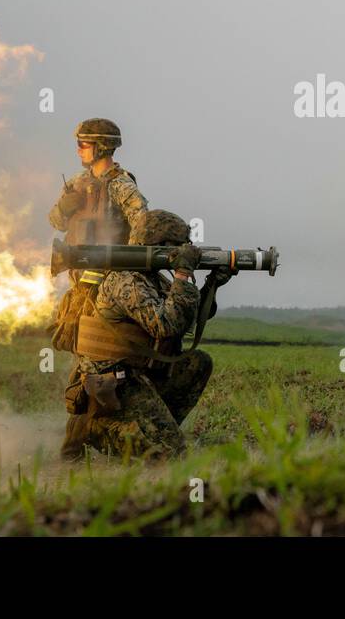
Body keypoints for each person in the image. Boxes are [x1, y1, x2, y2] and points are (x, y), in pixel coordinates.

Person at [60, 209, 218, 462]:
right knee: (169, 456)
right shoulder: (126, 280)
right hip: (116, 380)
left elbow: (184, 316)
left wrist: (212, 285)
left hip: (140, 374)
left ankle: (154, 429)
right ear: (160, 246)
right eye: (177, 247)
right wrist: (183, 274)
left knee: (197, 362)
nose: (182, 251)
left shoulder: (152, 278)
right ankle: (92, 428)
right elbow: (165, 325)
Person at [48, 118, 147, 353]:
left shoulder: (121, 186)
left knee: (102, 353)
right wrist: (64, 207)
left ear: (101, 146)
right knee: (79, 349)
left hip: (109, 287)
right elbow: (56, 222)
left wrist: (122, 274)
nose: (78, 149)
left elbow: (143, 231)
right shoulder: (76, 183)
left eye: (83, 144)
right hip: (80, 284)